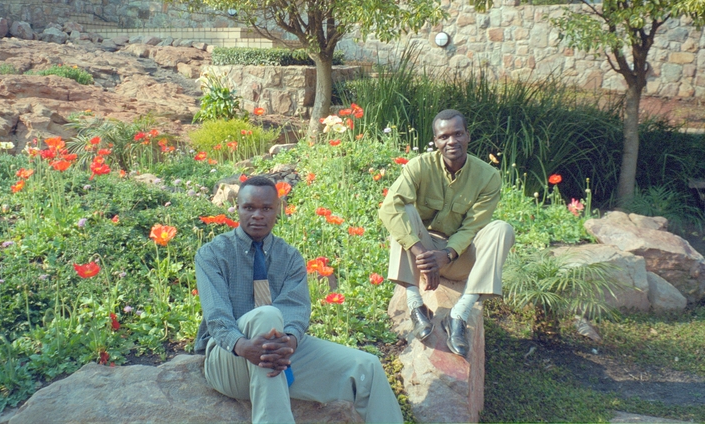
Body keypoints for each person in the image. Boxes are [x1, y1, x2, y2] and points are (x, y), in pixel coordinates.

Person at [194, 176, 403, 424]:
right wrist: (243, 346)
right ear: (238, 208)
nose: (257, 215)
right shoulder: (212, 254)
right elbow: (216, 316)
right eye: (249, 207)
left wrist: (290, 341)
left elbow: (296, 310)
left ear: (278, 211)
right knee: (267, 316)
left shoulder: (290, 257)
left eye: (266, 208)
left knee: (367, 367)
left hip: (282, 353)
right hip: (229, 357)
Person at [379, 109, 515, 357]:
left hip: (461, 258)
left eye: (458, 134)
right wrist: (422, 254)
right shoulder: (419, 167)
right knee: (402, 211)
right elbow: (390, 208)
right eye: (444, 137)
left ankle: (459, 315)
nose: (452, 141)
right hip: (424, 253)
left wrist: (448, 254)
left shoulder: (488, 177)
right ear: (436, 140)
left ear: (468, 136)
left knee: (501, 229)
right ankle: (416, 306)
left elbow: (473, 226)